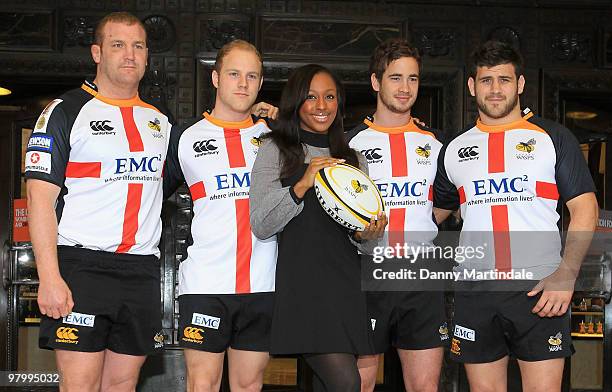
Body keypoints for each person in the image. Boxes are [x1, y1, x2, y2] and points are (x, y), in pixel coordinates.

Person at [435, 40, 598, 392]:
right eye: (486, 80)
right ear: (471, 86)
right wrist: (371, 225)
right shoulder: (453, 150)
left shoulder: (553, 137)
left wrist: (566, 275)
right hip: (475, 290)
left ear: (520, 84)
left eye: (504, 80)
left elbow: (585, 209)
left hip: (540, 289)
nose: (495, 90)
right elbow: (433, 214)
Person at [25, 12, 170, 392]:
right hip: (81, 268)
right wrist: (50, 278)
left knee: (123, 384)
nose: (130, 55)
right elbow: (39, 200)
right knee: (80, 386)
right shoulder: (64, 111)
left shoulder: (160, 122)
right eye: (118, 45)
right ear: (96, 52)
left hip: (140, 270)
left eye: (138, 46)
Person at [249, 64, 387, 391]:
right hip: (304, 289)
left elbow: (367, 243)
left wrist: (368, 234)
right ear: (296, 102)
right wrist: (302, 184)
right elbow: (261, 224)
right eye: (311, 97)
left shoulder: (353, 159)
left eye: (329, 97)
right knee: (346, 383)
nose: (321, 106)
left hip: (346, 287)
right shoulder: (275, 149)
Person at [163, 39, 277, 392]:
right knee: (203, 384)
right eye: (233, 74)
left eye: (252, 76)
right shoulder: (183, 137)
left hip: (263, 284)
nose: (243, 84)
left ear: (260, 83)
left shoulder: (275, 135)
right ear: (215, 79)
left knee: (249, 385)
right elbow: (148, 197)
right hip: (204, 285)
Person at [347, 38, 448, 392]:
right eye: (395, 78)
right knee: (359, 384)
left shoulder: (437, 143)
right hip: (366, 274)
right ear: (376, 82)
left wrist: (425, 224)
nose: (405, 88)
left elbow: (451, 196)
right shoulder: (349, 144)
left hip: (421, 276)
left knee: (425, 386)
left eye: (413, 79)